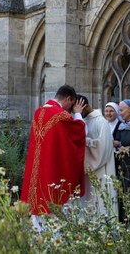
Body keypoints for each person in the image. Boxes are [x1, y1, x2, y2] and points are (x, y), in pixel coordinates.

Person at [20, 84, 86, 215]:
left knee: (37, 199)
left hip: (37, 167)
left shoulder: (38, 111)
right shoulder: (61, 115)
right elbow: (78, 133)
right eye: (72, 104)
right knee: (50, 206)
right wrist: (78, 114)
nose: (70, 109)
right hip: (51, 167)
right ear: (68, 99)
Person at [78, 95, 117, 215]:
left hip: (100, 169)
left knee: (100, 200)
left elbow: (104, 147)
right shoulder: (85, 120)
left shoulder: (101, 121)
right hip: (89, 169)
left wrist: (87, 142)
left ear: (87, 106)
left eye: (79, 109)